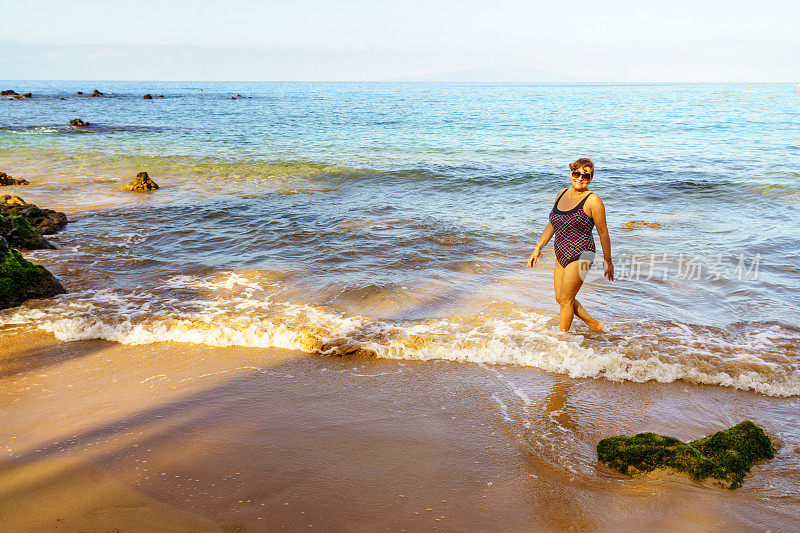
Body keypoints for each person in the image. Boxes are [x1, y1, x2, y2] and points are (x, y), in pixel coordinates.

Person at [526, 158, 613, 332]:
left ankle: (562, 340)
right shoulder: (561, 194)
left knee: (566, 300)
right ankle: (593, 323)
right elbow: (553, 223)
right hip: (561, 251)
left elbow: (603, 232)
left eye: (585, 176)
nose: (580, 178)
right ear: (571, 174)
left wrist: (608, 261)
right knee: (561, 298)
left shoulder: (593, 200)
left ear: (591, 178)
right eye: (576, 173)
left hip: (582, 252)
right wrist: (538, 248)